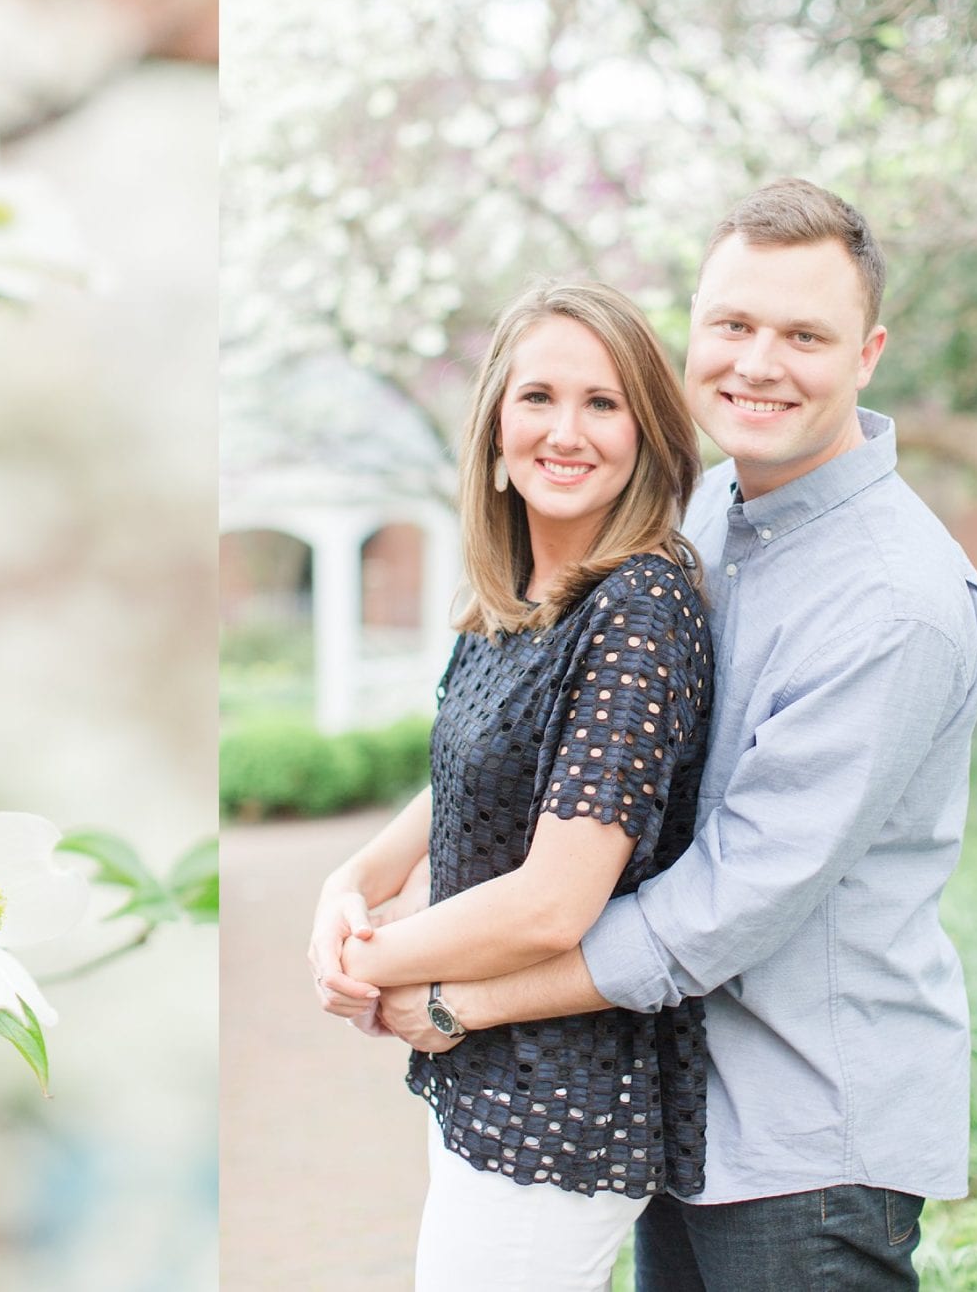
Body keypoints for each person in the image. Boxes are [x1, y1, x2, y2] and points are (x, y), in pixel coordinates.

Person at [365, 179, 977, 1289]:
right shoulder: (701, 513)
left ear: (869, 353)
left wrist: (465, 1001)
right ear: (694, 331)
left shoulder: (897, 602)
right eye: (735, 325)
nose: (760, 362)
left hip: (809, 1144)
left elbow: (724, 906)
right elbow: (569, 739)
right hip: (681, 1117)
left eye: (805, 334)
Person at [308, 278, 714, 1290]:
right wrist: (348, 883)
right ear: (494, 428)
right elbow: (473, 777)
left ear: (645, 438)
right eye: (538, 398)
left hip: (567, 1101)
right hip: (484, 1075)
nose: (565, 430)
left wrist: (375, 959)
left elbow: (554, 902)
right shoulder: (513, 601)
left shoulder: (639, 608)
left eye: (603, 402)